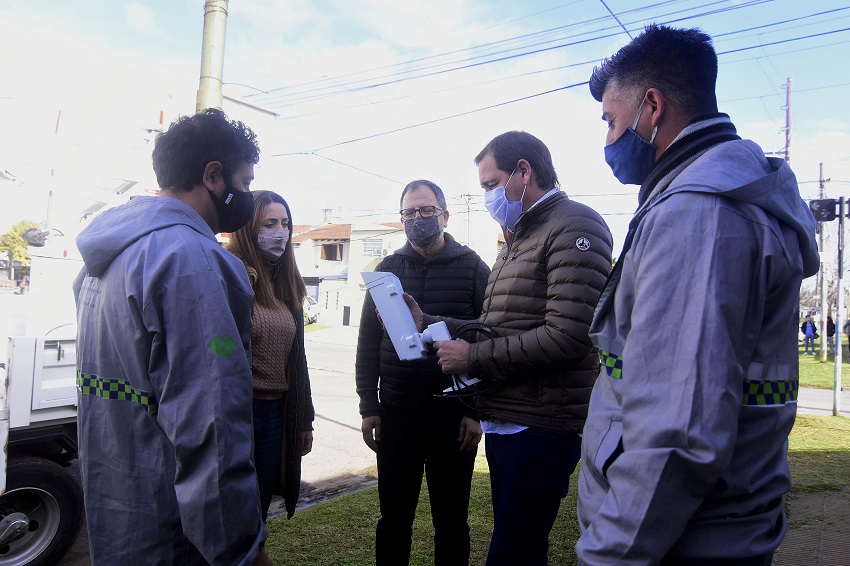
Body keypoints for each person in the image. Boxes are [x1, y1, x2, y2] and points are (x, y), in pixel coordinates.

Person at [576, 25, 820, 565]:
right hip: (716, 526)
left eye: (611, 121)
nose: (609, 140)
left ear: (652, 107)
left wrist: (608, 555)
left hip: (680, 540)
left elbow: (677, 434)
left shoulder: (698, 213)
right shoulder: (714, 195)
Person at [74, 109, 271, 565]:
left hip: (119, 519)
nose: (246, 196)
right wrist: (243, 549)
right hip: (176, 532)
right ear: (213, 176)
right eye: (244, 182)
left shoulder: (106, 256)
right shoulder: (192, 261)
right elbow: (211, 425)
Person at [405, 132, 613, 565]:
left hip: (541, 423)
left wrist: (471, 357)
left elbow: (568, 336)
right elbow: (497, 329)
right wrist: (431, 322)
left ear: (523, 171)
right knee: (517, 548)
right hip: (508, 418)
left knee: (513, 553)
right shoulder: (518, 237)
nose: (487, 196)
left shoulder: (575, 226)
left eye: (490, 184)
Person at [356, 179, 491, 565]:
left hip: (453, 419)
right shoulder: (386, 271)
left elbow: (487, 340)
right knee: (394, 522)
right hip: (397, 416)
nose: (418, 218)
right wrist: (369, 406)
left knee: (452, 524)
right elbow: (368, 343)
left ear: (445, 216)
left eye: (427, 210)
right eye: (410, 213)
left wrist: (475, 411)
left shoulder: (473, 268)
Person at [226, 190, 315, 521]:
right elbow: (214, 344)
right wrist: (229, 350)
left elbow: (298, 360)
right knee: (231, 507)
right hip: (240, 410)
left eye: (285, 223)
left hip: (277, 412)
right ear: (248, 228)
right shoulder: (231, 274)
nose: (280, 232)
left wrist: (304, 420)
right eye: (269, 224)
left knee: (258, 507)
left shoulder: (286, 285)